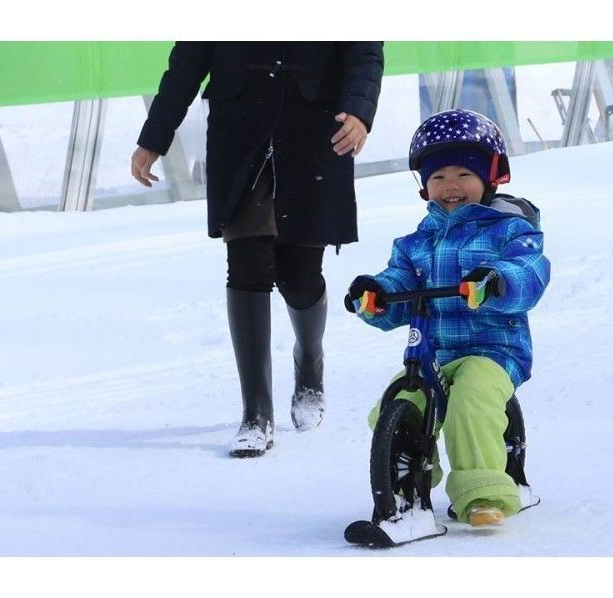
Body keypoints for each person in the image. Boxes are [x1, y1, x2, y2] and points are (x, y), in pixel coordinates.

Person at [131, 42, 384, 458]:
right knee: (246, 264)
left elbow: (365, 51)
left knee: (299, 278)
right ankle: (256, 414)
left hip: (316, 130)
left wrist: (359, 111)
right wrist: (153, 138)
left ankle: (309, 361)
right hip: (240, 131)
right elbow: (187, 62)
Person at [344, 109, 550, 527]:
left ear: (491, 177)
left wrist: (496, 281)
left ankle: (482, 495)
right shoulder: (414, 242)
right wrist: (377, 296)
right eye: (437, 177)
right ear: (424, 186)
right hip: (432, 354)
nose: (450, 186)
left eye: (463, 174)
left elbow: (530, 271)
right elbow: (400, 283)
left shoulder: (510, 230)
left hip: (494, 350)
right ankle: (407, 487)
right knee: (397, 404)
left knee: (470, 402)